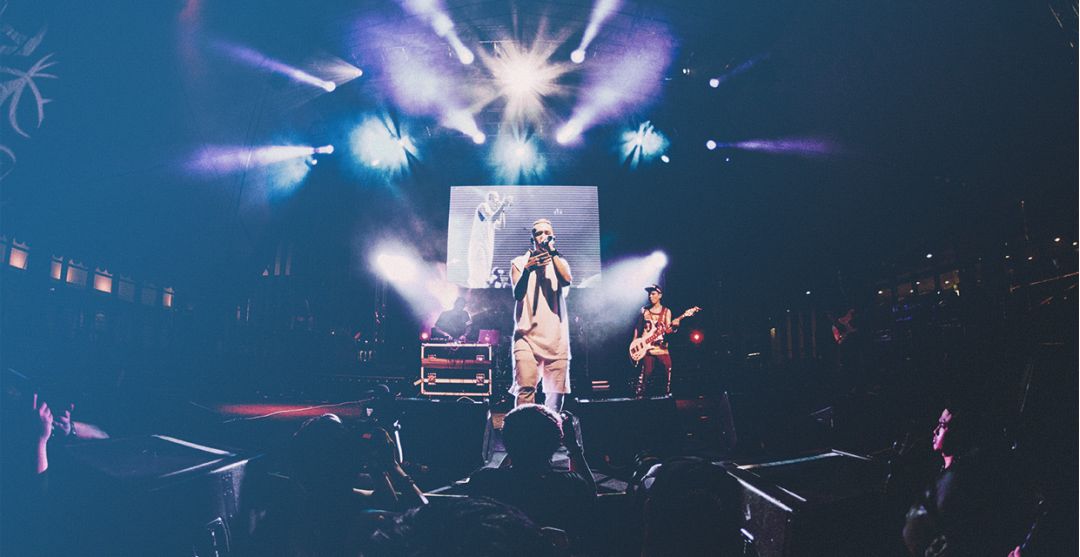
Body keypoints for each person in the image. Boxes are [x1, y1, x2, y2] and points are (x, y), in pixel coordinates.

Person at [465, 404, 595, 543]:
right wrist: (573, 447)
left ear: (505, 440)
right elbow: (590, 496)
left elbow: (507, 469)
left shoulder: (483, 481)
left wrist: (515, 443)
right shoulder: (570, 485)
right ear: (557, 442)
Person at [509, 218, 572, 412]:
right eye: (538, 233)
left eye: (547, 233)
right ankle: (523, 428)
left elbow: (566, 280)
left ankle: (550, 429)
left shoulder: (560, 263)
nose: (543, 236)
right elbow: (518, 294)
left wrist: (552, 253)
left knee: (555, 395)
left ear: (553, 238)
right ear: (532, 239)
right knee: (526, 389)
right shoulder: (519, 263)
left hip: (556, 338)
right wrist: (528, 270)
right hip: (526, 337)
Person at [468, 191, 512, 288]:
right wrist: (502, 205)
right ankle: (475, 290)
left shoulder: (493, 213)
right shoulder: (483, 206)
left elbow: (501, 226)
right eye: (496, 199)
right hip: (478, 246)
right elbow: (491, 219)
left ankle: (482, 289)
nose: (498, 201)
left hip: (487, 246)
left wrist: (503, 209)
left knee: (486, 272)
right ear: (489, 199)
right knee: (478, 270)